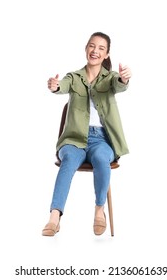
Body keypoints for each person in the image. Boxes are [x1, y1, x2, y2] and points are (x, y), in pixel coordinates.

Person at [42, 32, 132, 236]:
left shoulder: (110, 79)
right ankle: (54, 217)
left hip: (102, 140)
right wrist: (54, 86)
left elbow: (119, 84)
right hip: (74, 139)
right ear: (86, 49)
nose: (95, 51)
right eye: (92, 46)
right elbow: (61, 86)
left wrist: (124, 78)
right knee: (68, 162)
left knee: (101, 158)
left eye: (101, 48)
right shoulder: (73, 77)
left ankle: (99, 210)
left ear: (107, 54)